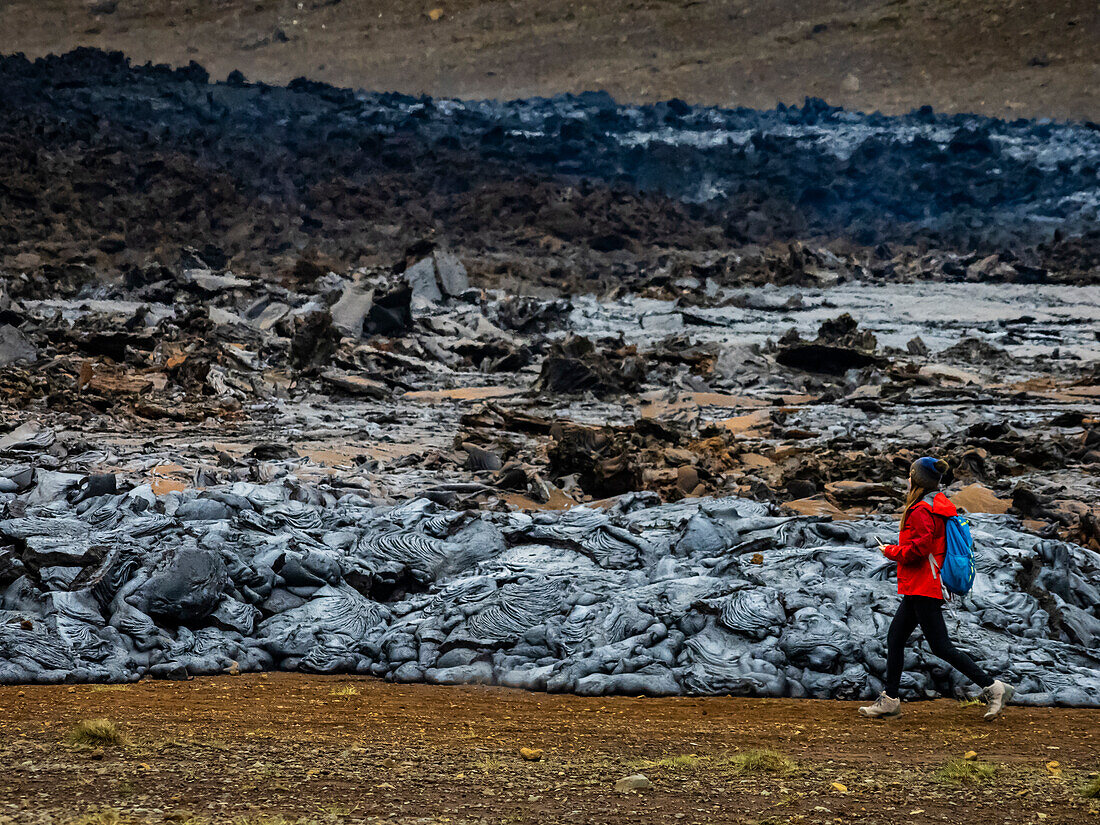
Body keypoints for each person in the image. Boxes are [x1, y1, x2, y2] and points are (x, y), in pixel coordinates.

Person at [859, 457, 1013, 720]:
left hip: (925, 585)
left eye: (910, 475)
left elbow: (920, 549)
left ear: (917, 479)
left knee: (941, 646)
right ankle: (890, 700)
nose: (908, 479)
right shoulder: (940, 503)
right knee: (895, 638)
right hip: (923, 585)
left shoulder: (921, 509)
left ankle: (993, 687)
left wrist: (890, 552)